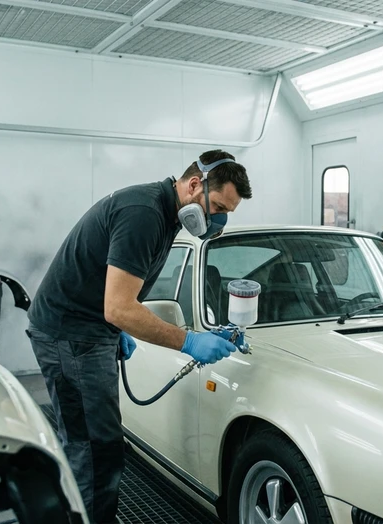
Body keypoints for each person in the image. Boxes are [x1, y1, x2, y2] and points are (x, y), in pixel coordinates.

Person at [25, 150, 253, 524]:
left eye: (227, 212)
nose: (218, 221)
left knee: (92, 446)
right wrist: (188, 341)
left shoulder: (165, 215)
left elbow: (117, 294)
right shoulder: (143, 214)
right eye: (217, 208)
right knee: (96, 451)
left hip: (87, 328)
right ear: (195, 184)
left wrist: (114, 330)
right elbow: (119, 307)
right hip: (71, 335)